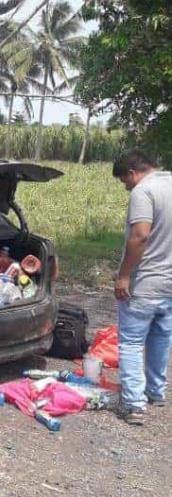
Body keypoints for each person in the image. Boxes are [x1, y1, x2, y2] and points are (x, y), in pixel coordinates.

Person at [113, 149, 172, 425]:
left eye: (125, 181)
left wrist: (124, 275)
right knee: (161, 337)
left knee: (132, 342)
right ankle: (155, 391)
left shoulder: (143, 191)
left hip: (144, 282)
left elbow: (140, 235)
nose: (126, 187)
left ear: (133, 173)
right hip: (169, 283)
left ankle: (135, 405)